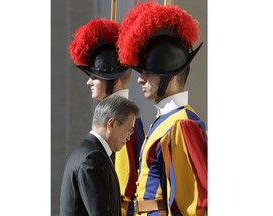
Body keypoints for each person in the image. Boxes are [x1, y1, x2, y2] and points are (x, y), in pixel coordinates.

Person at [117, 1, 207, 216]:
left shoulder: (182, 124)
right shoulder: (164, 120)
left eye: (147, 73)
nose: (140, 80)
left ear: (171, 75)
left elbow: (192, 206)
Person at [68, 18, 145, 216]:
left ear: (115, 81)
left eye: (95, 76)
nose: (89, 82)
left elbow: (123, 194)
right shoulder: (114, 119)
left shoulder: (127, 124)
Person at [59, 94, 140, 216]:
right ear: (111, 124)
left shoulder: (87, 152)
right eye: (129, 130)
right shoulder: (92, 158)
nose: (129, 137)